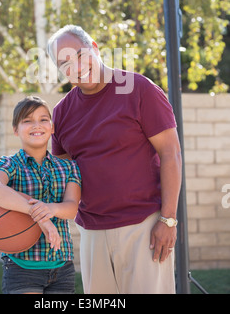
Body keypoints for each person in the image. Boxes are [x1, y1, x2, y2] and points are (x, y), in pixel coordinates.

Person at [47, 25, 182, 294]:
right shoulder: (61, 113)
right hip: (92, 232)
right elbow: (62, 175)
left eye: (79, 54)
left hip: (143, 227)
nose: (75, 66)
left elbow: (171, 153)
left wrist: (168, 220)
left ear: (95, 48)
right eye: (64, 63)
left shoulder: (139, 89)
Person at [0, 95, 81, 295]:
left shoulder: (68, 167)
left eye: (43, 119)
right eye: (27, 120)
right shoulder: (9, 164)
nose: (36, 125)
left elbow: (72, 208)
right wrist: (38, 215)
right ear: (16, 130)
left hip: (62, 266)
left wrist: (49, 209)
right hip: (22, 267)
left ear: (52, 127)